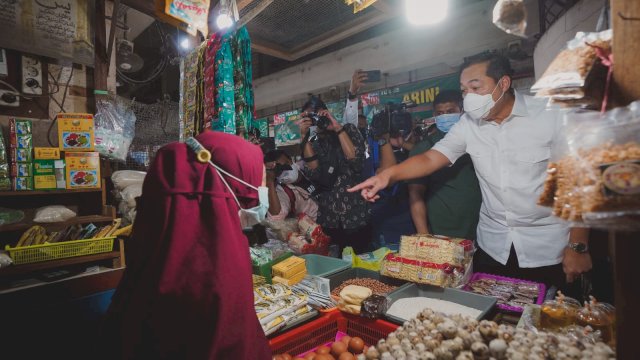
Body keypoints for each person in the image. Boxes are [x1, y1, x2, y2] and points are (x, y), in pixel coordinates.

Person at [349, 53, 592, 289]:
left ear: (503, 83)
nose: (469, 97)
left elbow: (579, 183)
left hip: (549, 248)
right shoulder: (469, 125)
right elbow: (431, 158)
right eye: (465, 90)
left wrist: (578, 246)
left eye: (476, 87)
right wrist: (387, 176)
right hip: (493, 246)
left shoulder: (551, 115)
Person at [102, 131, 271, 359]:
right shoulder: (220, 257)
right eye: (258, 181)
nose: (262, 190)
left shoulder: (162, 223)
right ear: (229, 183)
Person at [299, 96, 371, 253]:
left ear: (325, 112)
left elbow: (356, 160)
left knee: (361, 260)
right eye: (309, 117)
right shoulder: (314, 143)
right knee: (336, 264)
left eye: (317, 115)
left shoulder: (348, 130)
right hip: (329, 217)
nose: (315, 120)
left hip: (355, 214)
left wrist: (337, 127)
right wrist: (303, 137)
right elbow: (315, 172)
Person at [407, 90, 482, 239]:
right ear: (434, 115)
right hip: (444, 230)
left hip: (483, 228)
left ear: (461, 111)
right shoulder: (424, 148)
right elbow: (415, 194)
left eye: (450, 111)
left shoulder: (477, 139)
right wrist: (424, 235)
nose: (445, 116)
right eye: (440, 113)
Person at [264, 149, 318, 222]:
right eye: (279, 170)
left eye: (285, 164)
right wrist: (269, 181)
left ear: (291, 160)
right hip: (315, 228)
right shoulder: (283, 191)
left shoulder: (307, 168)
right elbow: (276, 217)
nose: (285, 171)